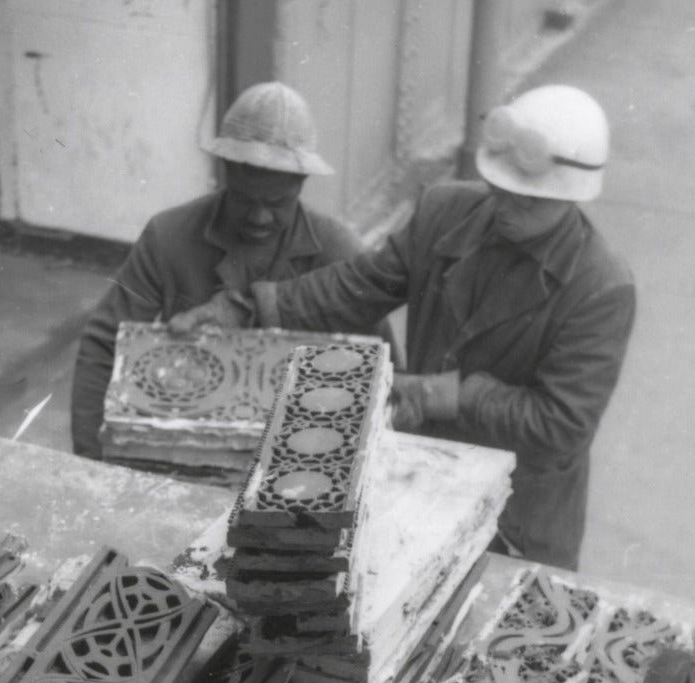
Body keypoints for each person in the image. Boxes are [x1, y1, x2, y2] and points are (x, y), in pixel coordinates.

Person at [170, 85, 635, 570]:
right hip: (422, 478)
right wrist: (248, 308)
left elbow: (562, 423)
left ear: (571, 199)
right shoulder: (445, 211)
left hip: (519, 520)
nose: (507, 206)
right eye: (502, 189)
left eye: (530, 200)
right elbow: (359, 287)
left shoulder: (601, 287)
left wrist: (446, 395)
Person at [69, 82, 378, 460]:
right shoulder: (168, 237)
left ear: (302, 184)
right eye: (244, 199)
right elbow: (104, 345)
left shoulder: (340, 252)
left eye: (278, 203)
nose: (260, 218)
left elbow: (381, 369)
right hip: (186, 440)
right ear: (225, 173)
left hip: (301, 453)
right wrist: (90, 460)